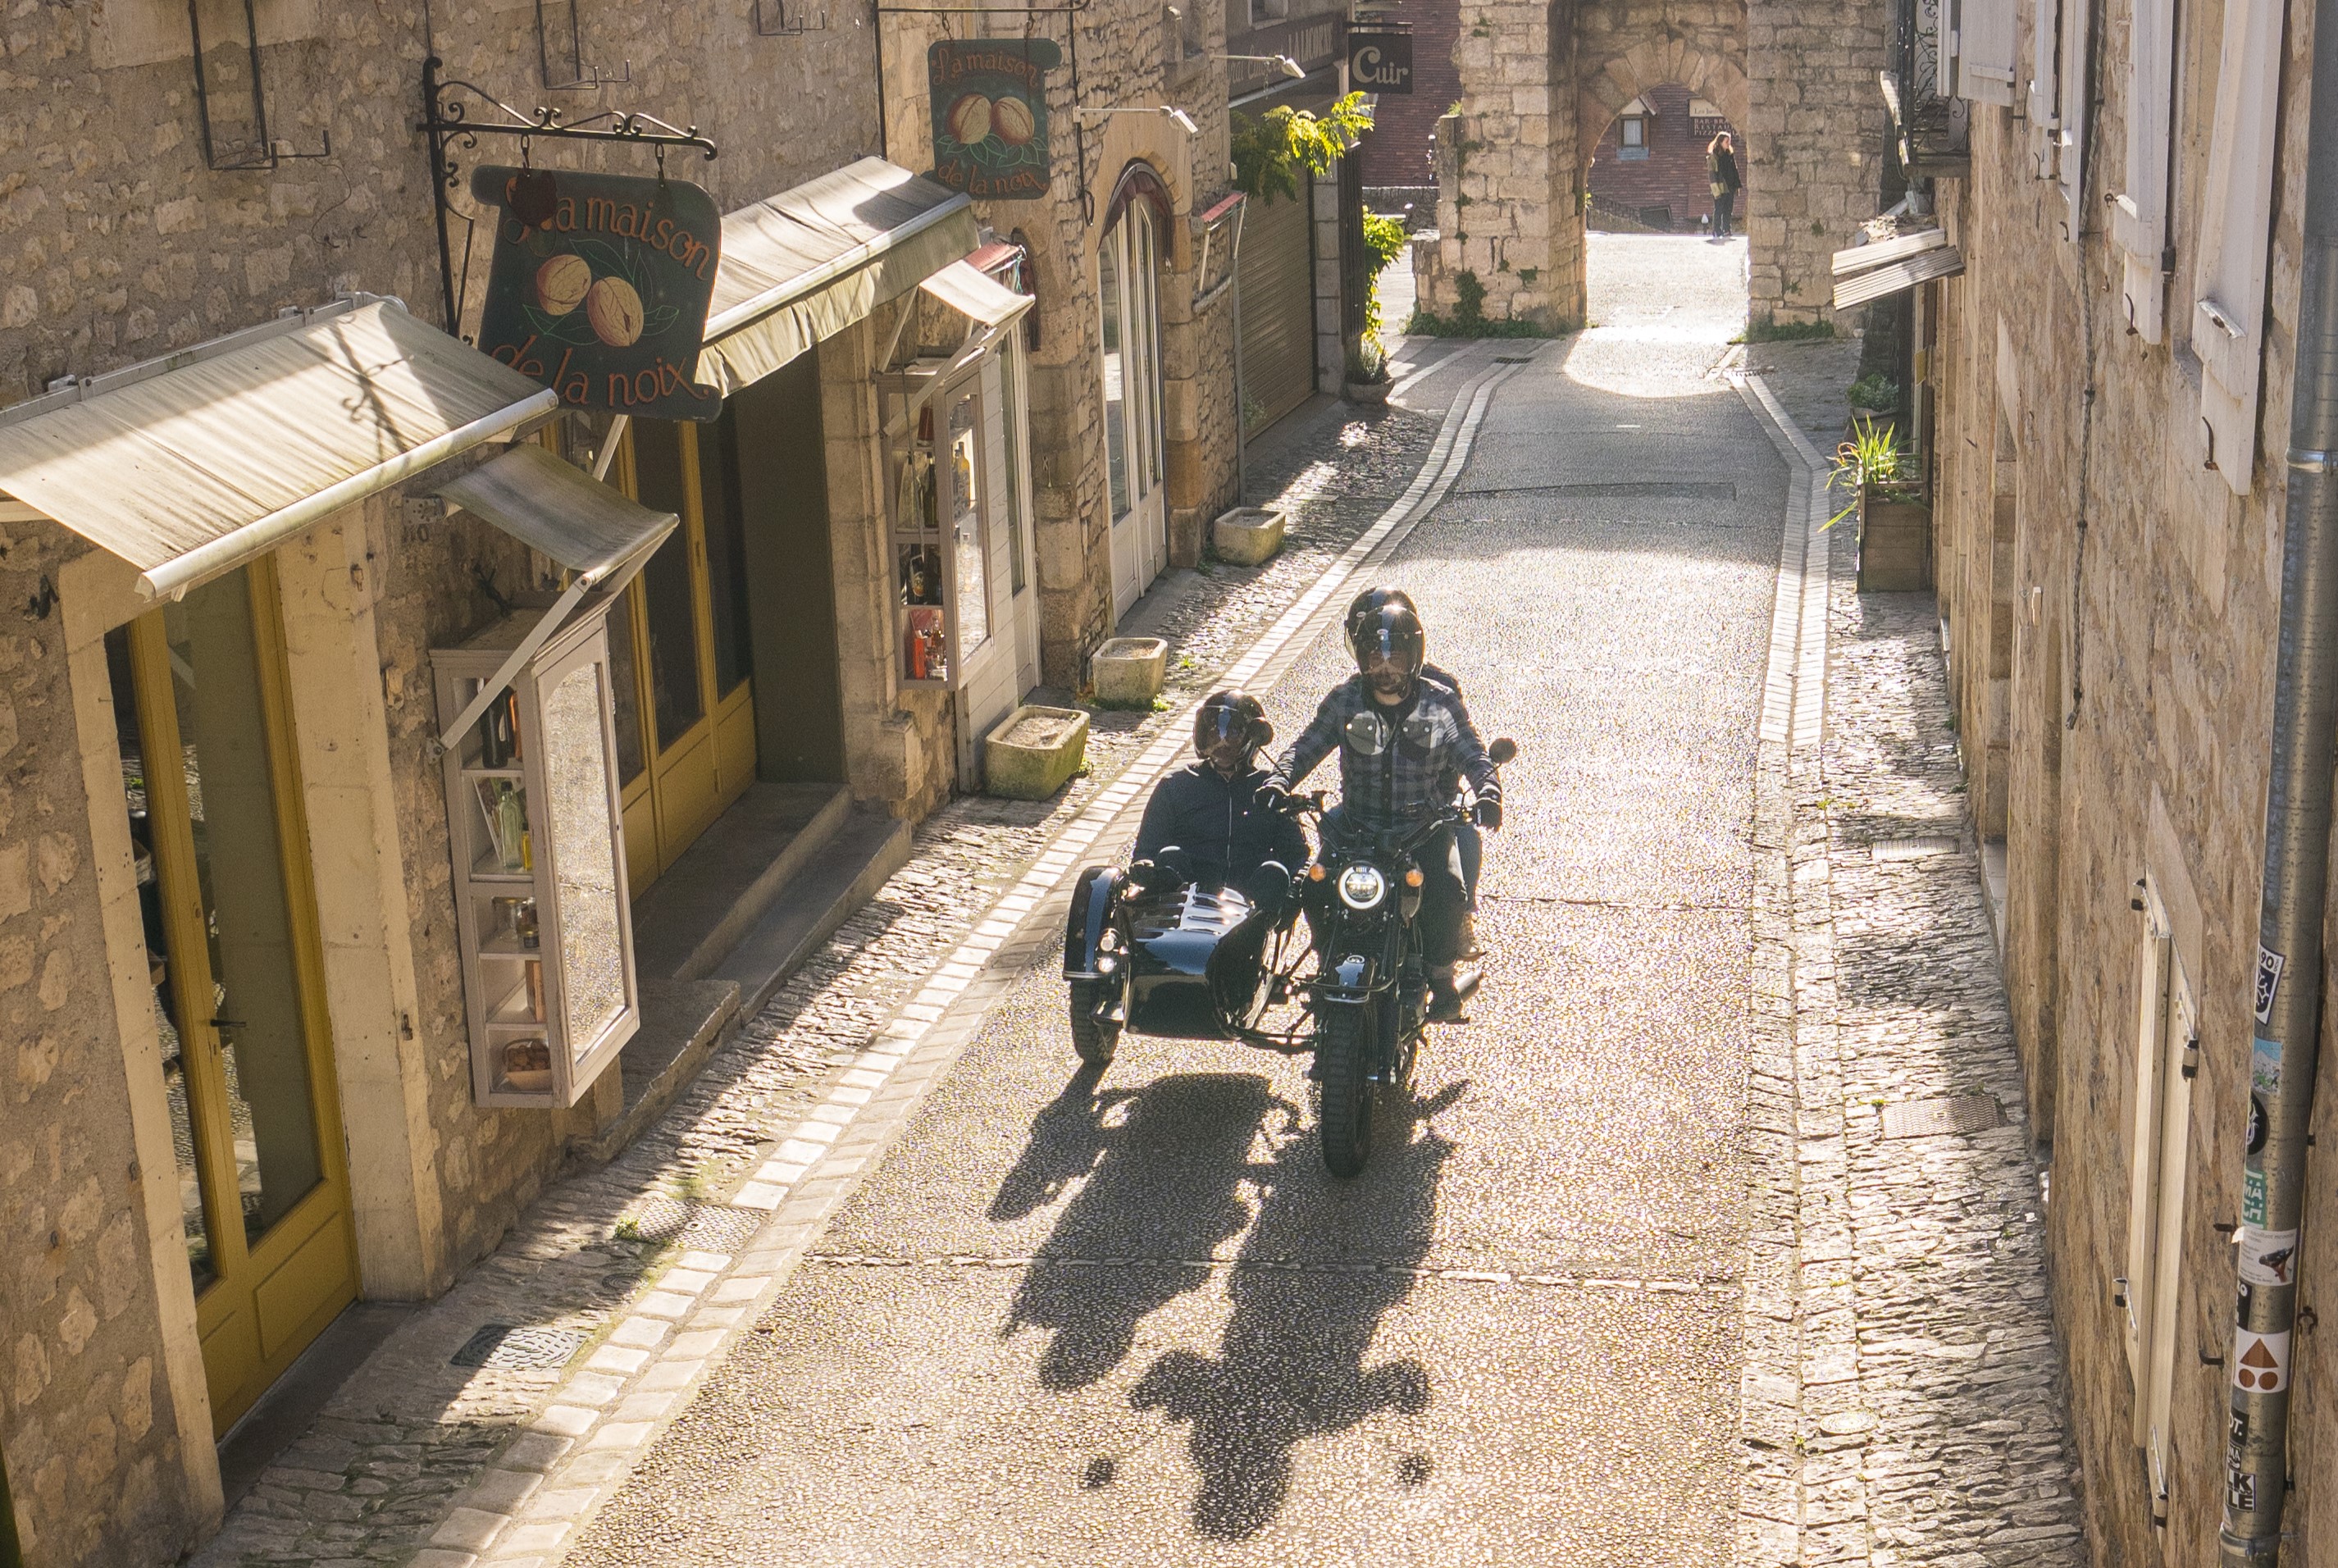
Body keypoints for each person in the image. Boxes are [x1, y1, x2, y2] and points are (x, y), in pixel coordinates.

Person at [1273, 601, 1500, 1019]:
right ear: (1361, 657)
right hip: (1355, 828)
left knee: (1448, 891)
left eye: (1395, 655)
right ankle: (1328, 962)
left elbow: (1473, 753)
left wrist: (1488, 792)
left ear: (1414, 657)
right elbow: (1305, 747)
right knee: (1315, 887)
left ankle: (1440, 979)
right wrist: (1278, 781)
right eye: (1374, 655)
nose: (1385, 666)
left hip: (1422, 829)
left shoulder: (1441, 704)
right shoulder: (1344, 700)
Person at [1342, 586, 1493, 957]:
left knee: (1461, 840)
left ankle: (1460, 921)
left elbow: (1462, 746)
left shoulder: (1441, 689)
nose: (1381, 650)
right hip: (1367, 810)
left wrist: (1475, 789)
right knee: (1320, 868)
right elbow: (1311, 745)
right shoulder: (1351, 692)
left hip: (1429, 805)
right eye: (1368, 637)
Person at [1130, 690, 1311, 920]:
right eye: (1214, 733)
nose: (1222, 742)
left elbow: (1298, 855)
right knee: (1170, 856)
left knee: (1274, 872)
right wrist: (1145, 866)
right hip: (1183, 907)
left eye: (1233, 733)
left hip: (1251, 912)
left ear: (1252, 738)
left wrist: (1295, 886)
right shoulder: (1174, 785)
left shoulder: (1271, 789)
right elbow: (1146, 850)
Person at [1707, 131, 1742, 239]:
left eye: (1729, 141)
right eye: (1726, 141)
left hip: (1730, 186)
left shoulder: (1730, 155)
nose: (1728, 144)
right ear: (1720, 142)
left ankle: (1727, 229)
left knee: (1728, 210)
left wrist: (1737, 185)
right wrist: (1716, 191)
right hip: (1720, 188)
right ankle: (1717, 230)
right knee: (1719, 209)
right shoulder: (1714, 157)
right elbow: (1712, 176)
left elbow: (1734, 170)